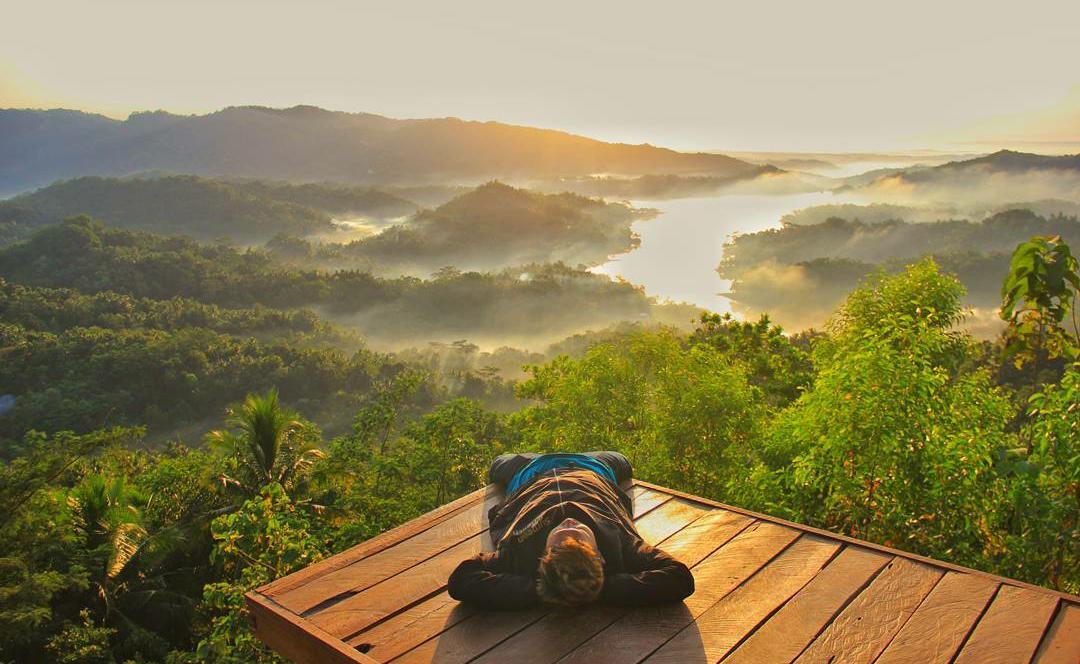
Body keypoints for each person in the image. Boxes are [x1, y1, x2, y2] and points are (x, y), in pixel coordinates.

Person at [447, 451, 694, 609]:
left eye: (558, 538)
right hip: (593, 468)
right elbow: (678, 577)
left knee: (498, 463)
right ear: (600, 556)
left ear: (544, 556)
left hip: (528, 472)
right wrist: (596, 588)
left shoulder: (520, 554)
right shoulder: (622, 546)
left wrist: (545, 587)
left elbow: (462, 579)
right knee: (622, 461)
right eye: (579, 535)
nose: (568, 525)